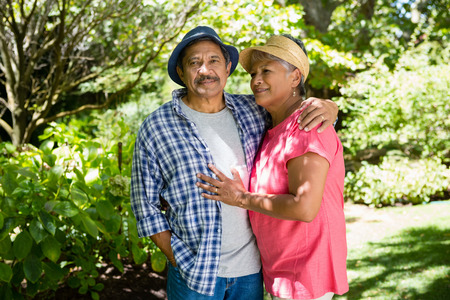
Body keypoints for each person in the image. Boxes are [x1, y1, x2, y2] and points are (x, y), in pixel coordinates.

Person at [130, 26, 338, 299]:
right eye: (194, 63)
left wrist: (328, 107)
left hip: (250, 273)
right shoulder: (156, 126)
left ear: (227, 67)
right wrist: (178, 257)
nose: (205, 70)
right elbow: (144, 205)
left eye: (214, 60)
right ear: (181, 73)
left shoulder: (253, 110)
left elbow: (291, 109)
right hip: (194, 275)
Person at [196, 34, 348, 300]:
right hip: (283, 272)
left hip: (305, 275)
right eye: (254, 73)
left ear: (295, 77)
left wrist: (241, 198)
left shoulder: (307, 127)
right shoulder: (274, 129)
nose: (256, 80)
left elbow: (304, 207)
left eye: (267, 70)